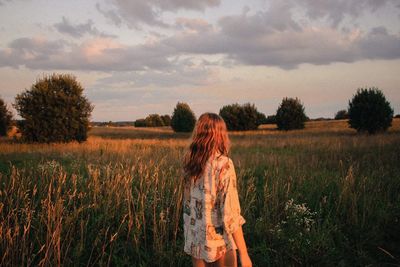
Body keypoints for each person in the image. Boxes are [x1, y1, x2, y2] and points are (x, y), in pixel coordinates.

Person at [183, 113, 252, 267]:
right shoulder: (224, 164)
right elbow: (231, 215)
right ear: (220, 135)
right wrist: (244, 253)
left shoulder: (190, 164)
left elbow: (188, 208)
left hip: (196, 242)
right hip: (219, 244)